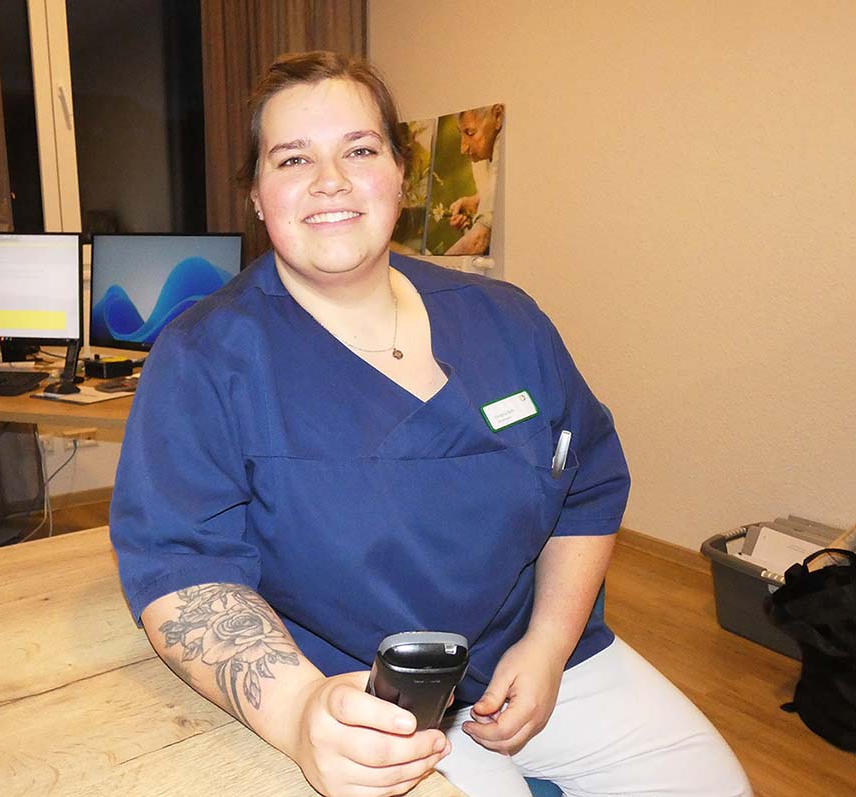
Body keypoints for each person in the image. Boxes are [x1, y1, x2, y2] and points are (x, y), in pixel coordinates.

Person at [109, 51, 752, 797]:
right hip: (353, 694)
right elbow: (184, 568)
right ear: (256, 195)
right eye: (292, 158)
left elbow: (587, 483)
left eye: (359, 150)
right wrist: (300, 713)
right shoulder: (204, 357)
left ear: (401, 175)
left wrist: (548, 646)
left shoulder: (506, 319)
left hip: (534, 655)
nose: (330, 180)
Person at [445, 104, 503, 256]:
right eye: (461, 133)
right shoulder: (485, 154)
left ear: (498, 116)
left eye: (470, 133)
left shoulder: (504, 148)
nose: (463, 148)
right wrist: (474, 201)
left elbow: (477, 241)